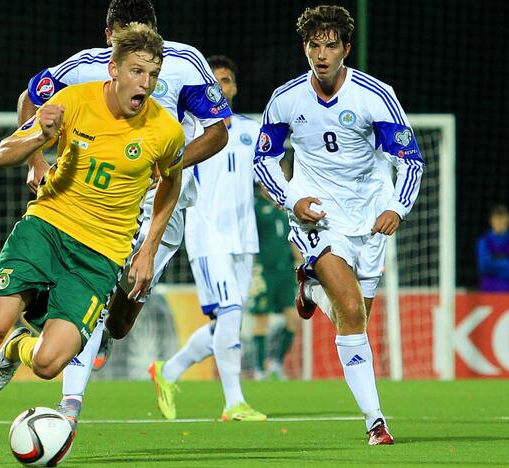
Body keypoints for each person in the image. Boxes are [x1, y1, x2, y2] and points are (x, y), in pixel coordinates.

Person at [0, 23, 185, 467]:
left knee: (47, 363)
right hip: (46, 227)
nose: (146, 84)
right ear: (114, 70)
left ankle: (17, 349)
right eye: (137, 72)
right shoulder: (73, 102)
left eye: (153, 74)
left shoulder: (165, 131)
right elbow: (2, 154)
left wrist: (149, 248)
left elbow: (171, 185)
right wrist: (39, 138)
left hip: (99, 256)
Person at [11, 0, 231, 429]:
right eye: (126, 36)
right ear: (108, 35)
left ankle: (101, 335)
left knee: (123, 315)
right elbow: (28, 98)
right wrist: (36, 161)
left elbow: (218, 131)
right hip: (95, 205)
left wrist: (171, 164)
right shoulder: (83, 68)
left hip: (161, 205)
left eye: (145, 35)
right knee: (95, 294)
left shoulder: (184, 64)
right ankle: (68, 409)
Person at [253, 5, 425, 445]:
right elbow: (264, 159)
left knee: (357, 317)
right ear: (305, 48)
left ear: (346, 48)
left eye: (331, 45)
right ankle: (376, 421)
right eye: (314, 44)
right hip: (318, 216)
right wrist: (293, 199)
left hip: (369, 218)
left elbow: (409, 159)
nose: (321, 53)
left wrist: (397, 208)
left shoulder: (374, 96)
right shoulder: (286, 99)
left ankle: (310, 288)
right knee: (350, 310)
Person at [148, 55, 266, 421]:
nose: (222, 86)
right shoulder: (190, 135)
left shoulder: (252, 129)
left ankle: (166, 372)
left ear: (234, 86)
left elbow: (267, 177)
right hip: (208, 234)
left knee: (226, 323)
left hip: (245, 238)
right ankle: (233, 403)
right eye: (215, 81)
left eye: (227, 80)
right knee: (230, 311)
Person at [249, 185, 302, 381]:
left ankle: (276, 363)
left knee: (293, 319)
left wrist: (303, 263)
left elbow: (292, 241)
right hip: (263, 270)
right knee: (262, 318)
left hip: (285, 271)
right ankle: (259, 370)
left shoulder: (285, 208)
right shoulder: (254, 206)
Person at [477, 204, 509, 292]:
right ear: (491, 221)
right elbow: (483, 268)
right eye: (497, 219)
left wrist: (494, 263)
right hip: (488, 292)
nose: (500, 223)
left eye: (502, 219)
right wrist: (507, 263)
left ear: (508, 220)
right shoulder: (483, 241)